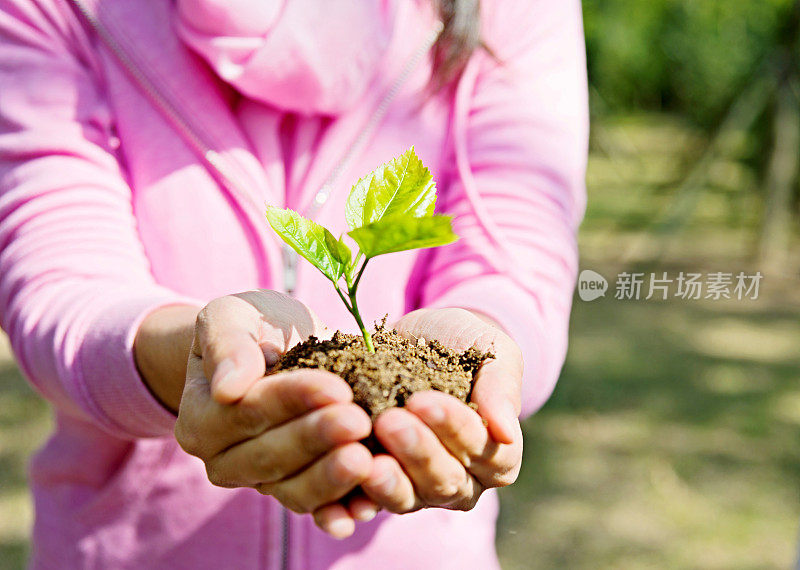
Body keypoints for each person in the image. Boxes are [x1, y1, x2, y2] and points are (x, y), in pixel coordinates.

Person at [0, 0, 588, 567]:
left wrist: (485, 348)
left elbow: (515, 246)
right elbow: (62, 273)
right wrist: (195, 357)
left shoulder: (507, 7)